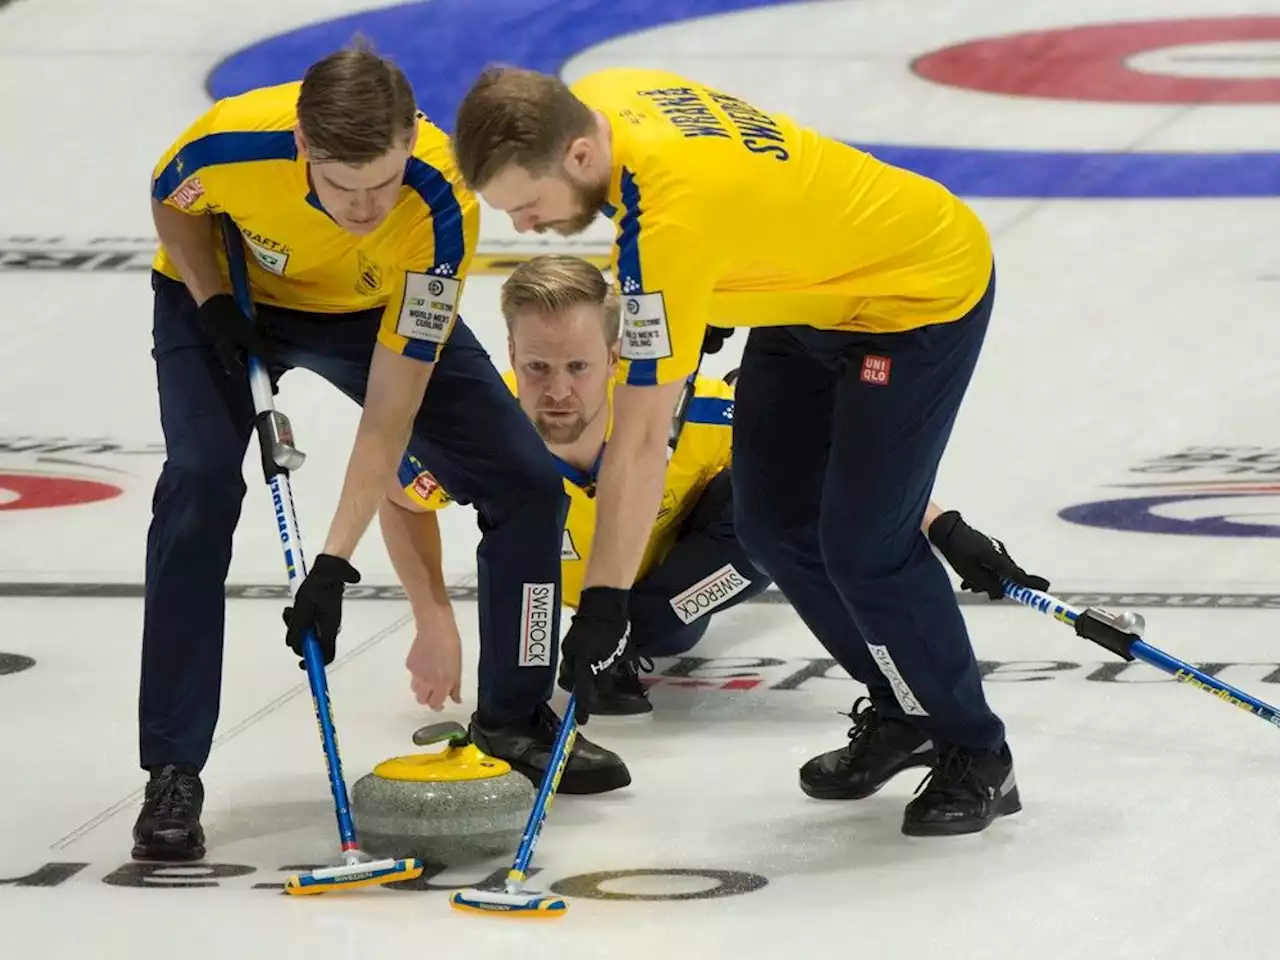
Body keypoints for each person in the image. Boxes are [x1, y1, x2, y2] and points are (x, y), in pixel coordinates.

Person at [448, 66, 1050, 837]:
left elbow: (637, 444)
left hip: (914, 295)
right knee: (772, 524)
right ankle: (907, 711)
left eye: (527, 208)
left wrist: (602, 606)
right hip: (804, 291)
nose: (525, 230)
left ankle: (976, 750)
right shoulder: (606, 94)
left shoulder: (669, 231)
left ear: (574, 157)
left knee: (865, 546)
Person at [133, 44, 629, 864]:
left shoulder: (437, 207)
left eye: (382, 183)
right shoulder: (227, 144)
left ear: (410, 142)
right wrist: (212, 299)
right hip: (225, 300)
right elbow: (172, 201)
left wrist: (332, 563)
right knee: (196, 488)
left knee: (528, 486)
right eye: (341, 187)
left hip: (372, 311)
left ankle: (514, 717)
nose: (365, 207)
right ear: (301, 149)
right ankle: (173, 770)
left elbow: (388, 420)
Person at [394, 252, 1044, 728]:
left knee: (763, 496)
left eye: (579, 367)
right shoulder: (481, 436)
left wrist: (944, 528)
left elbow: (832, 468)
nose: (559, 390)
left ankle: (632, 637)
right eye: (536, 367)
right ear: (509, 352)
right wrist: (432, 619)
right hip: (578, 607)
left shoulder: (688, 414)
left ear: (616, 356)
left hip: (670, 604)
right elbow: (397, 498)